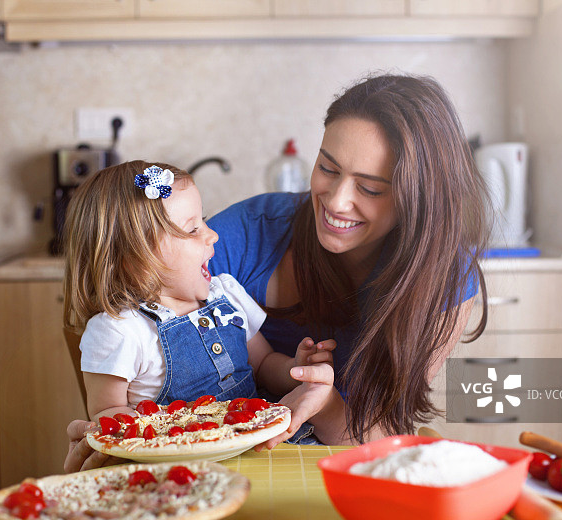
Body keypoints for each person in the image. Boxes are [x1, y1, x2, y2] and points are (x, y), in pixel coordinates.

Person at [65, 73, 488, 471]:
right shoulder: (248, 234)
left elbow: (381, 438)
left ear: (419, 199)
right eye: (327, 168)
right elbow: (122, 316)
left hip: (341, 459)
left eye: (370, 188)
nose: (336, 201)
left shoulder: (443, 278)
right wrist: (108, 432)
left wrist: (322, 403)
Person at [62, 160, 336, 443]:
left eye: (203, 220)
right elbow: (107, 413)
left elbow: (264, 363)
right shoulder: (121, 330)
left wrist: (294, 370)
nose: (212, 234)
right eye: (193, 229)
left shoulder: (226, 294)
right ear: (136, 261)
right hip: (179, 456)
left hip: (254, 442)